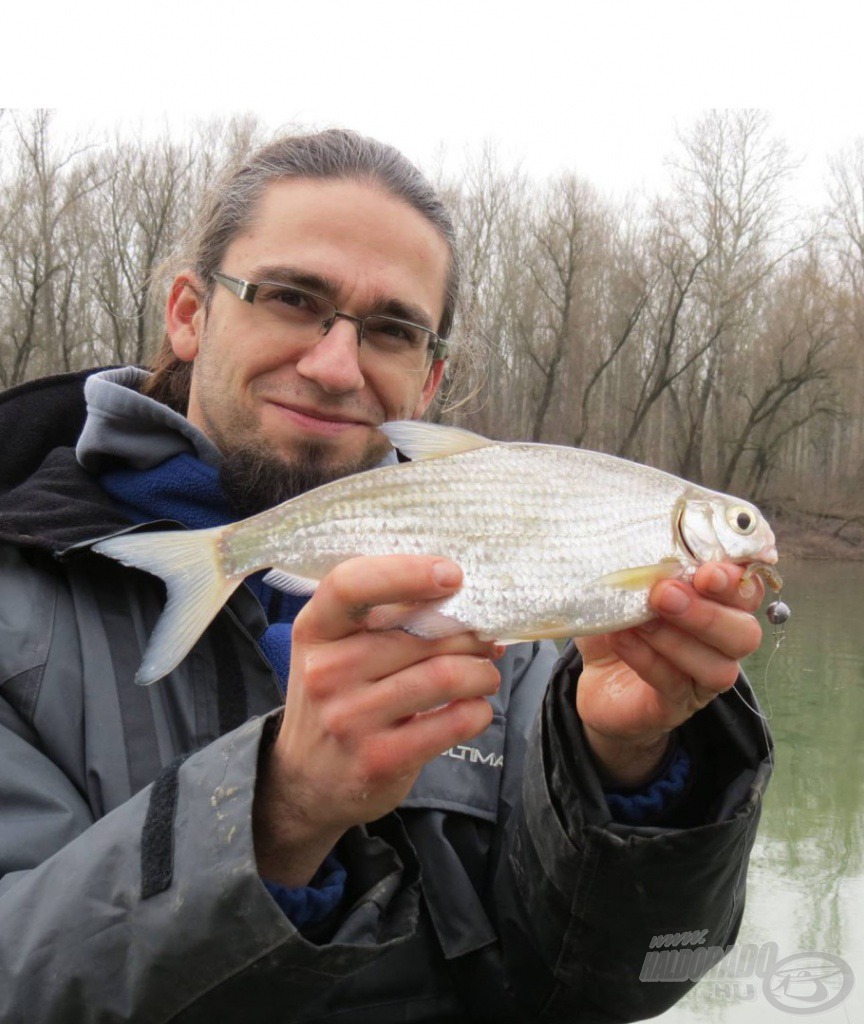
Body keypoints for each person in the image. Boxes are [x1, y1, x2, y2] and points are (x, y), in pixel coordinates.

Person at [0, 130, 772, 1023]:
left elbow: (607, 986)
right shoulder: (16, 615)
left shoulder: (509, 634)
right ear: (189, 312)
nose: (333, 366)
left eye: (392, 330)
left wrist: (631, 766)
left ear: (430, 379)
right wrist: (277, 815)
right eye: (291, 298)